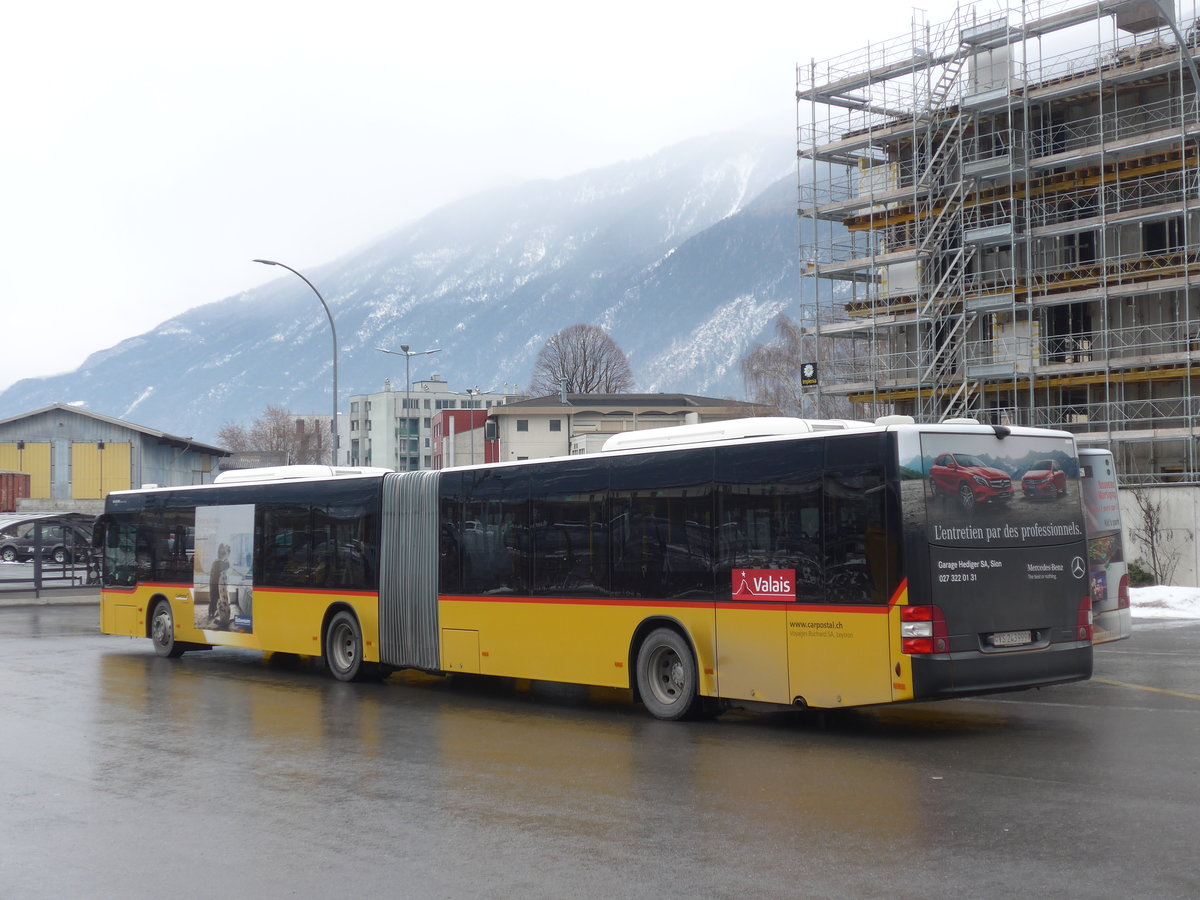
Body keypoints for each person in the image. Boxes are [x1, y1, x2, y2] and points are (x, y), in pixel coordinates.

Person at [206, 543, 230, 623]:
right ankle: (212, 613)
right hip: (216, 583)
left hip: (213, 582)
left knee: (213, 598)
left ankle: (211, 613)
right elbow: (227, 565)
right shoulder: (220, 563)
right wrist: (227, 557)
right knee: (216, 598)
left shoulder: (215, 562)